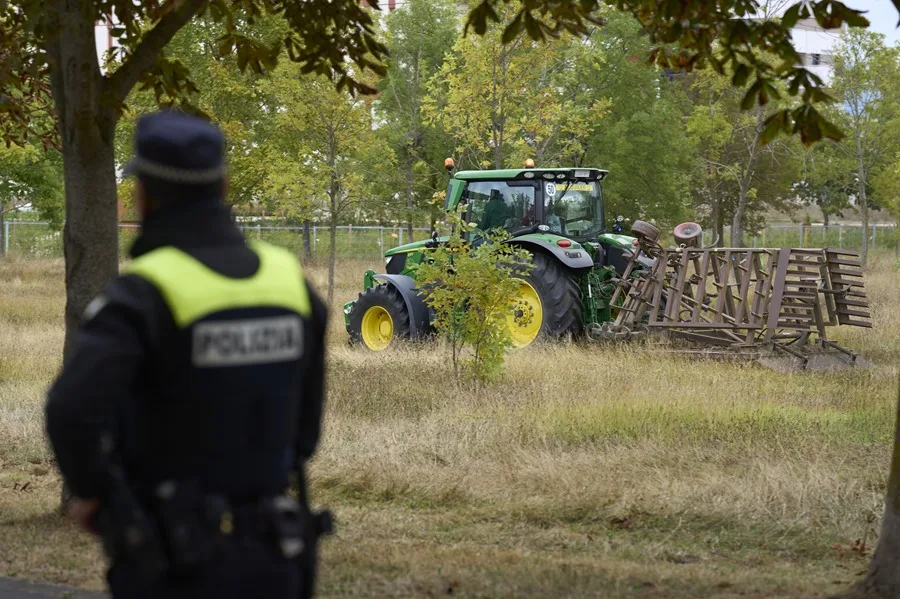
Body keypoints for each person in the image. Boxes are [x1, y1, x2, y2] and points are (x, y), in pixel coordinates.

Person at [44, 110, 330, 598]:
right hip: (274, 553)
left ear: (143, 194)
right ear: (224, 185)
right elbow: (306, 426)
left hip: (170, 561)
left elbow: (71, 410)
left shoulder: (142, 293)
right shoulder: (288, 279)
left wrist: (96, 494)